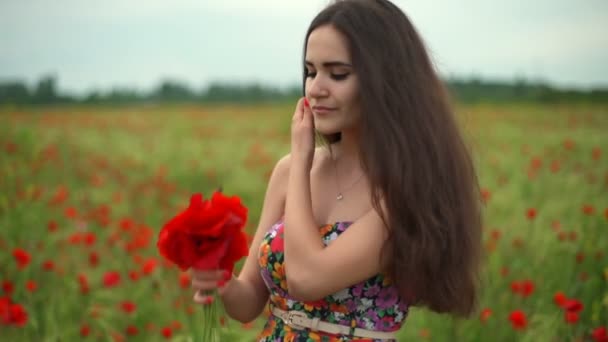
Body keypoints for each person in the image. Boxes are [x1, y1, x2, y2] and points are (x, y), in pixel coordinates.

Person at [191, 0, 482, 340]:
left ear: (386, 79)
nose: (315, 89)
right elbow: (250, 303)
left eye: (338, 73)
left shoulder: (407, 189)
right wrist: (221, 279)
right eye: (311, 72)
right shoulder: (288, 172)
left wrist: (302, 160)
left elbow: (306, 280)